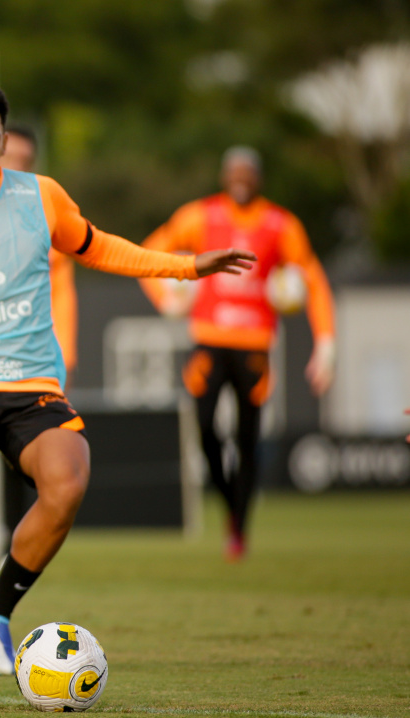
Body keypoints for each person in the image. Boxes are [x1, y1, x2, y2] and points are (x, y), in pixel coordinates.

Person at [0, 79, 255, 680]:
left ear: (5, 141)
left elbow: (101, 249)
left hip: (31, 383)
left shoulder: (41, 197)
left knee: (68, 482)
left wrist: (186, 266)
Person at [139, 146, 335, 561]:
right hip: (209, 340)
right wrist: (165, 299)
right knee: (205, 429)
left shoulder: (280, 224)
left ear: (258, 178)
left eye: (248, 171)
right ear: (224, 176)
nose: (241, 178)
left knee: (248, 438)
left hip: (255, 347)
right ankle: (230, 501)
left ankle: (239, 528)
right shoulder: (201, 215)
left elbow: (313, 280)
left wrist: (326, 343)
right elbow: (152, 249)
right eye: (234, 171)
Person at [0, 126, 79, 388]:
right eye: (10, 158)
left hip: (33, 364)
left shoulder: (46, 221)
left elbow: (61, 296)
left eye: (25, 161)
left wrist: (65, 358)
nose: (17, 168)